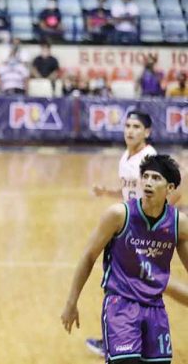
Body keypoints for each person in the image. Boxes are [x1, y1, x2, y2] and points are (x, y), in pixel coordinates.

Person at [62, 154, 188, 364]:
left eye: (156, 178)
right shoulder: (119, 215)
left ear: (170, 188)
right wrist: (71, 302)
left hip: (155, 308)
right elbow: (88, 256)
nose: (148, 182)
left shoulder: (177, 223)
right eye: (145, 176)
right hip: (120, 304)